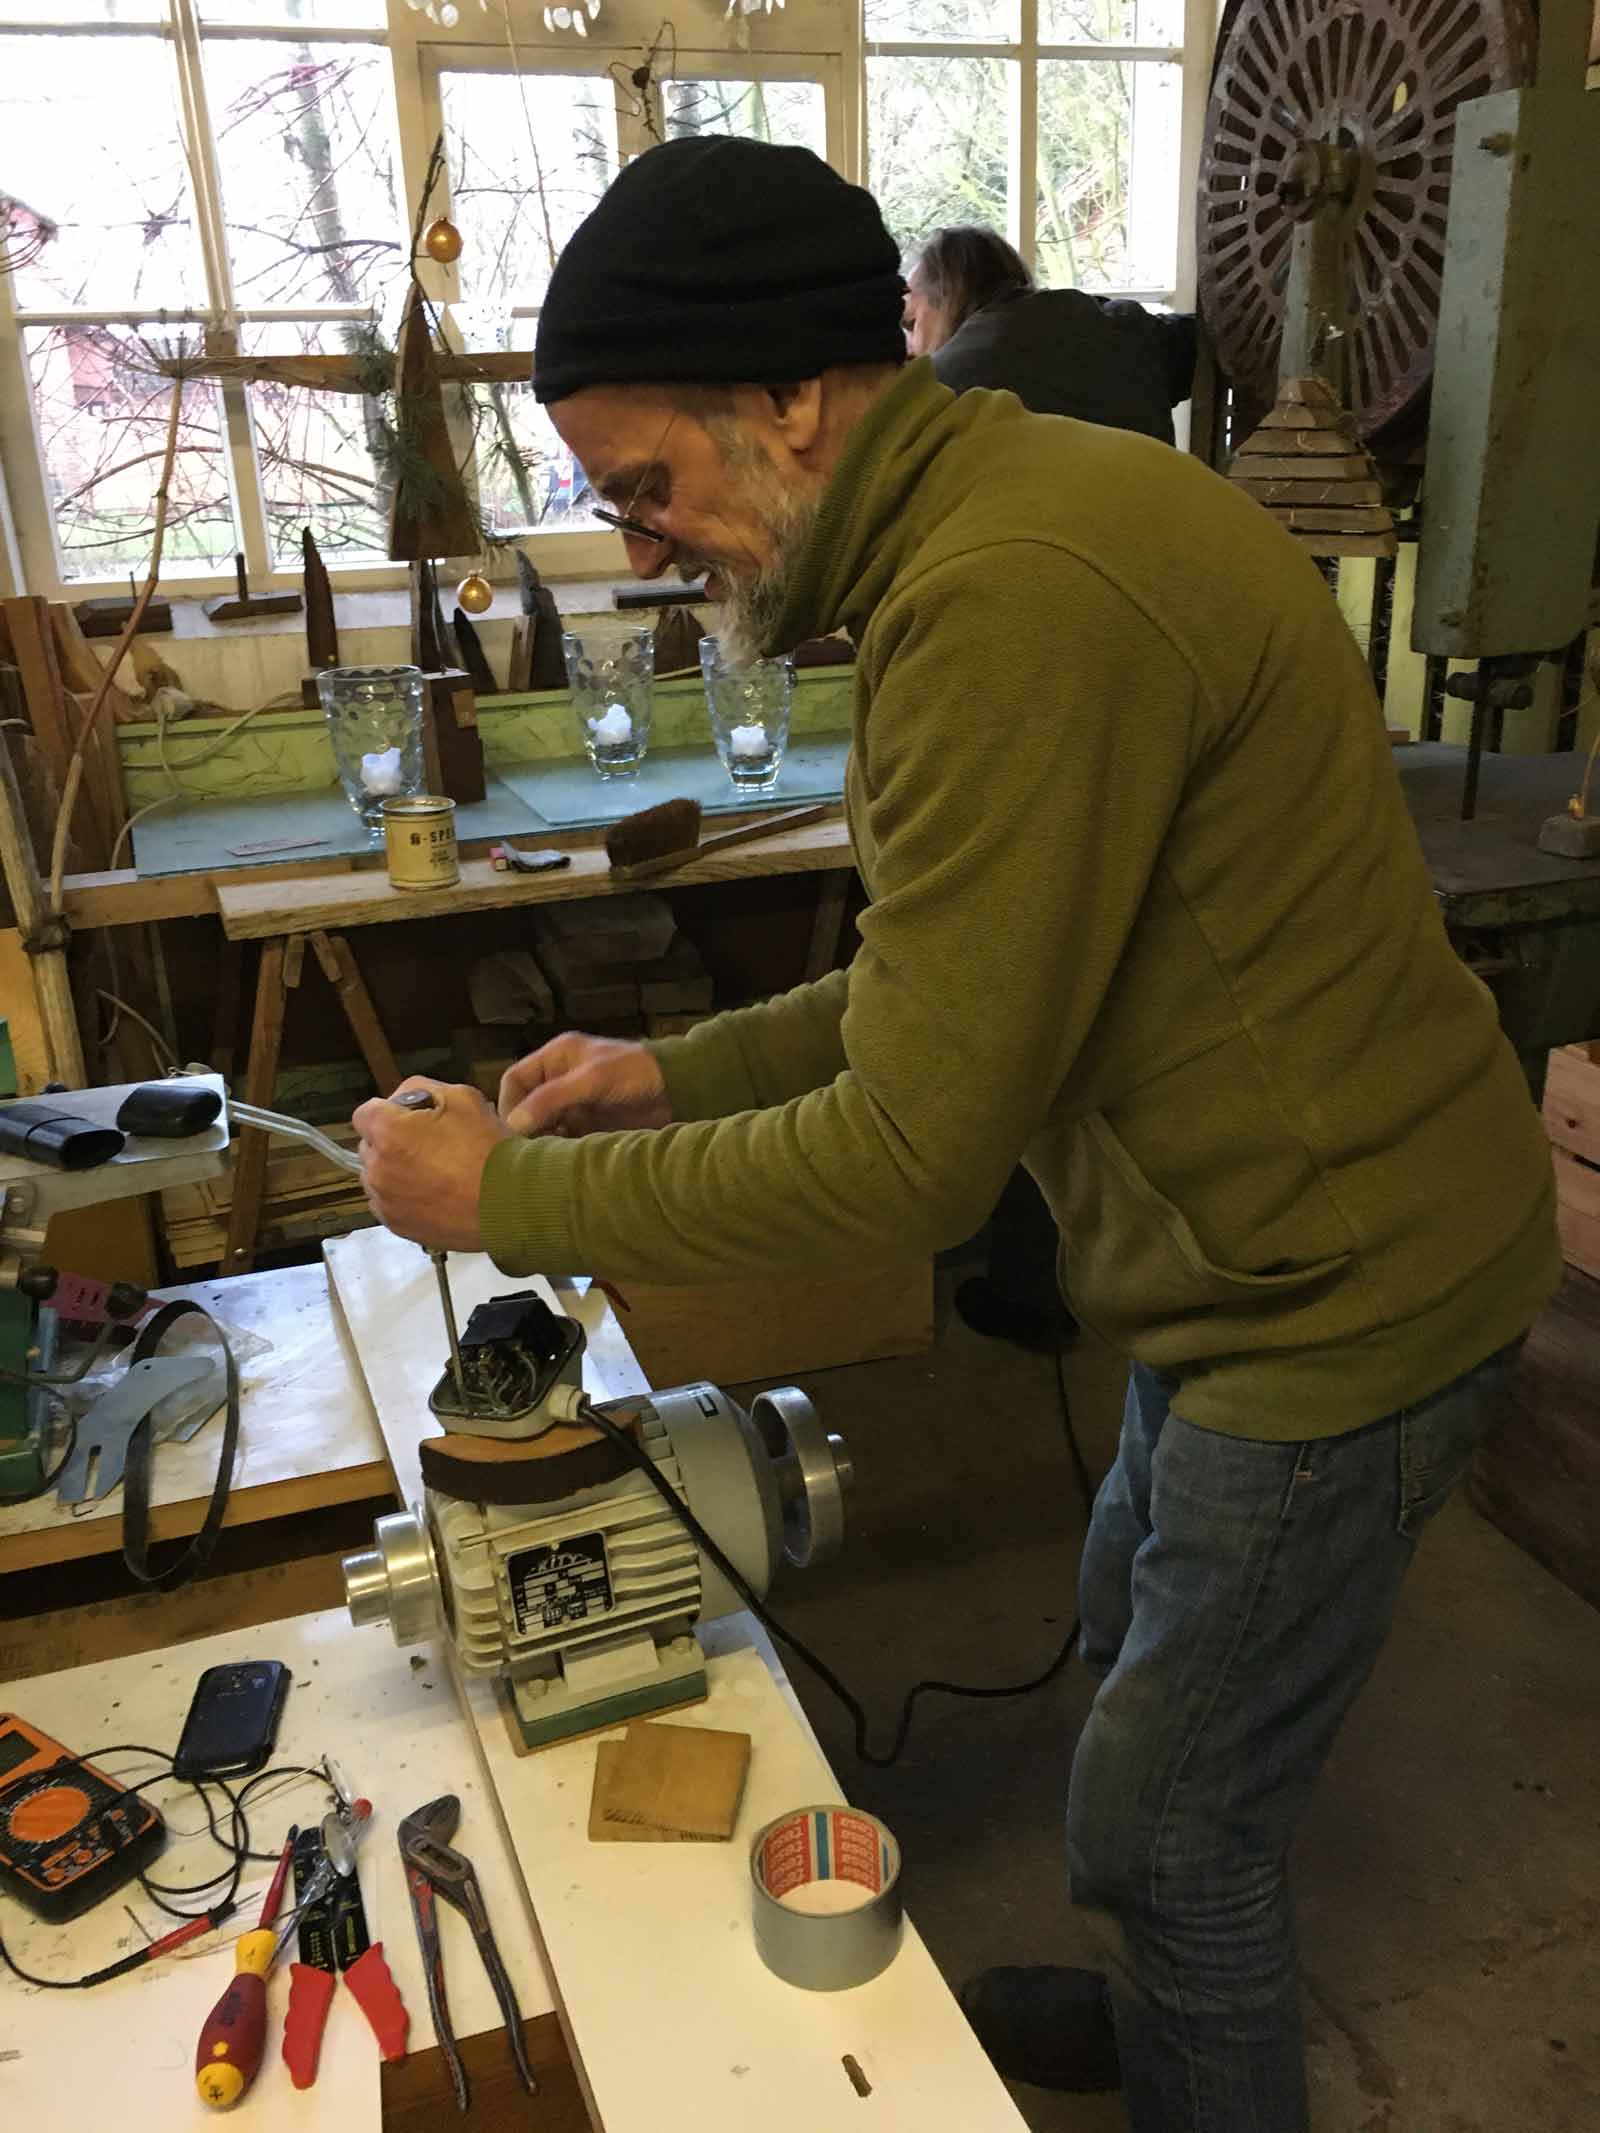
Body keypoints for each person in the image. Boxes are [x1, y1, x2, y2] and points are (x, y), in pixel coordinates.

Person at [355, 137, 1560, 2132]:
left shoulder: (1005, 600)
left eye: (644, 485)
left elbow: (913, 1148)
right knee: (1130, 1629)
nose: (642, 545)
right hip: (1249, 1254)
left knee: (1174, 1823)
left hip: (1342, 1297)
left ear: (793, 398)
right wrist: (675, 1071)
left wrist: (519, 1193)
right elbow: (956, 986)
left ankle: (1193, 2026)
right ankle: (1167, 2012)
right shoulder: (998, 524)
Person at [904, 225, 1199, 1353]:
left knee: (1032, 995)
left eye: (911, 313)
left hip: (1051, 682)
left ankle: (1038, 1290)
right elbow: (1198, 344)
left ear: (943, 298)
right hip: (1165, 664)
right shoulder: (1116, 329)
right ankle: (1117, 1271)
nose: (910, 336)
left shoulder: (956, 376)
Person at [903, 223, 1197, 443]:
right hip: (1166, 505)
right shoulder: (1125, 325)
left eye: (911, 323)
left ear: (949, 296)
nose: (909, 349)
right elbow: (1207, 338)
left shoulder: (940, 393)